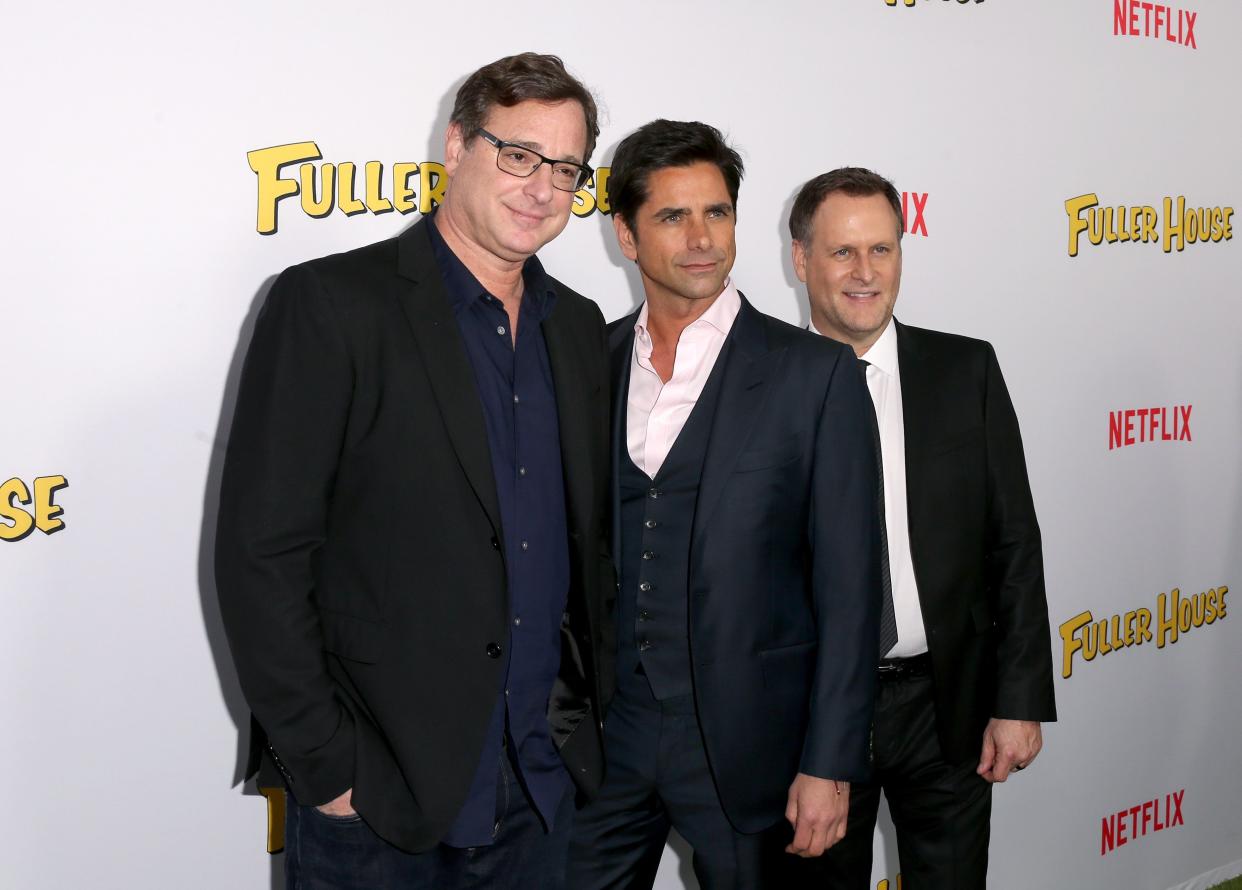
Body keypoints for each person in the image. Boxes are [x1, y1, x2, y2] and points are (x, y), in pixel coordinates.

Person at [214, 52, 614, 889]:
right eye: (518, 155)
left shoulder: (575, 328)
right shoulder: (331, 305)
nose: (543, 187)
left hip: (539, 787)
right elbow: (263, 554)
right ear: (456, 147)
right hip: (383, 798)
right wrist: (327, 767)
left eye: (567, 168)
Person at [566, 120, 880, 890]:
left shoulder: (815, 375)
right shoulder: (584, 362)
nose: (702, 237)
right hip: (608, 743)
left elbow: (851, 591)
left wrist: (829, 765)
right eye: (673, 216)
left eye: (718, 212)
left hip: (753, 752)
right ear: (626, 237)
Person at [785, 166, 1057, 888]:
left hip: (948, 707)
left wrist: (1017, 699)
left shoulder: (965, 370)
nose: (865, 273)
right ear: (801, 259)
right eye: (843, 252)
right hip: (812, 718)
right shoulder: (760, 388)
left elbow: (1013, 544)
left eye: (882, 249)